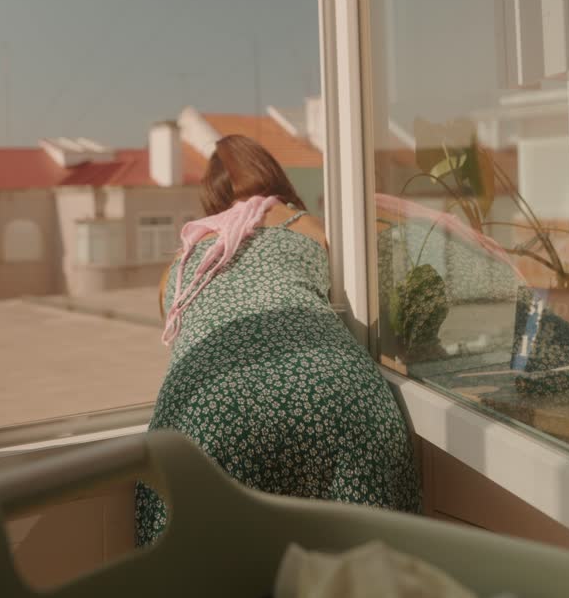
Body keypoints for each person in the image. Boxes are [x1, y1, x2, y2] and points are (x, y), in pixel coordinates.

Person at [135, 135, 421, 545]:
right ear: (275, 176)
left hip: (212, 406)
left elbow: (175, 323)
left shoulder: (184, 262)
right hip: (338, 388)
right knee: (364, 568)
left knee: (212, 571)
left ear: (212, 199)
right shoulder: (312, 228)